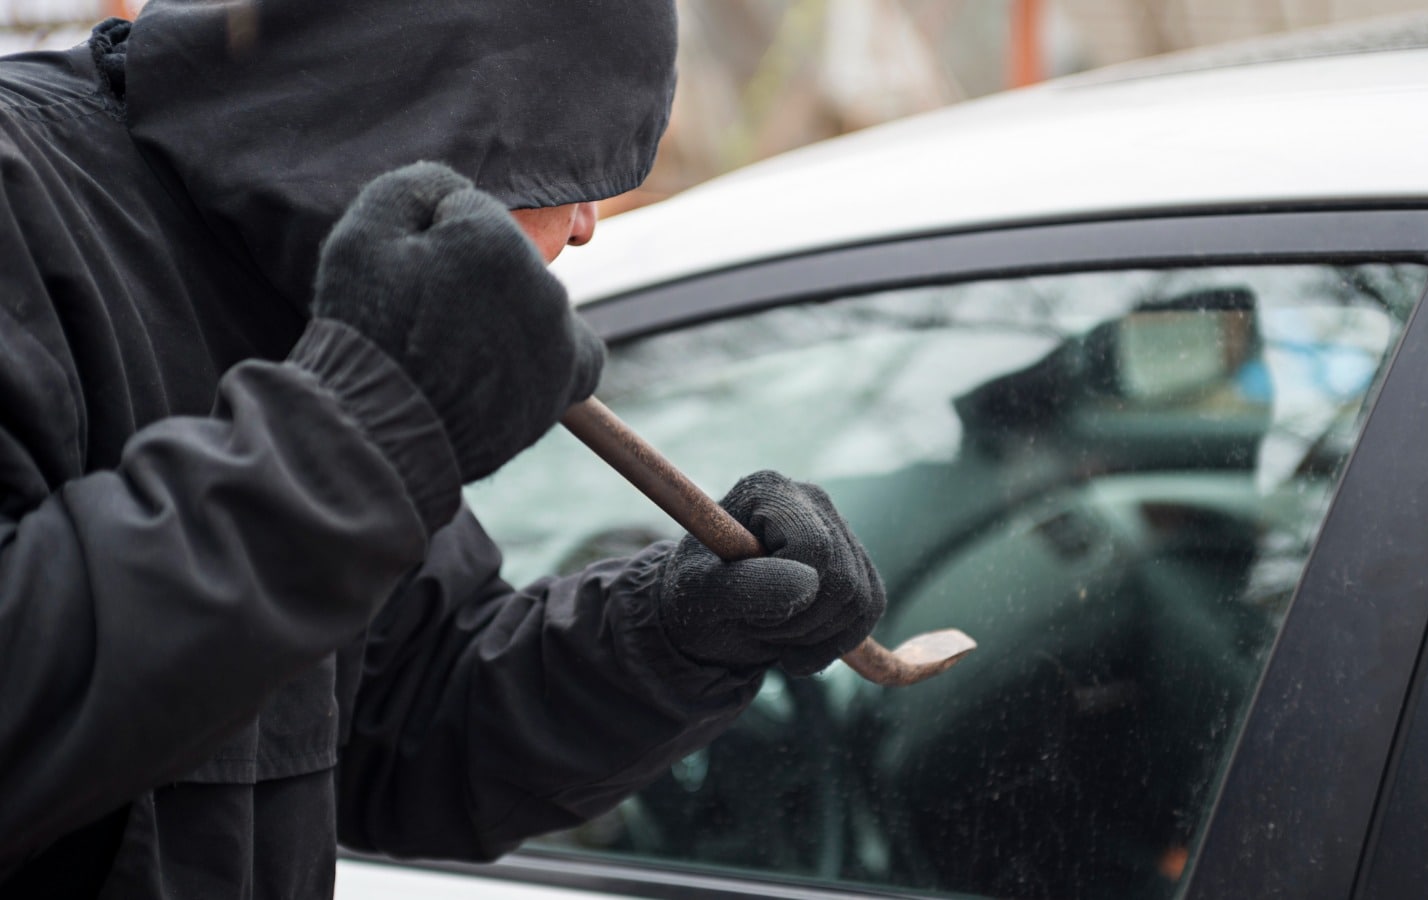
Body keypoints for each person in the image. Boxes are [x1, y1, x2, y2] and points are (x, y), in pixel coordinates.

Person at [0, 1, 885, 896]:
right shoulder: (19, 203)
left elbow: (402, 716)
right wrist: (363, 438)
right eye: (564, 158)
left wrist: (674, 634)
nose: (587, 225)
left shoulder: (307, 286)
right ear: (424, 105)